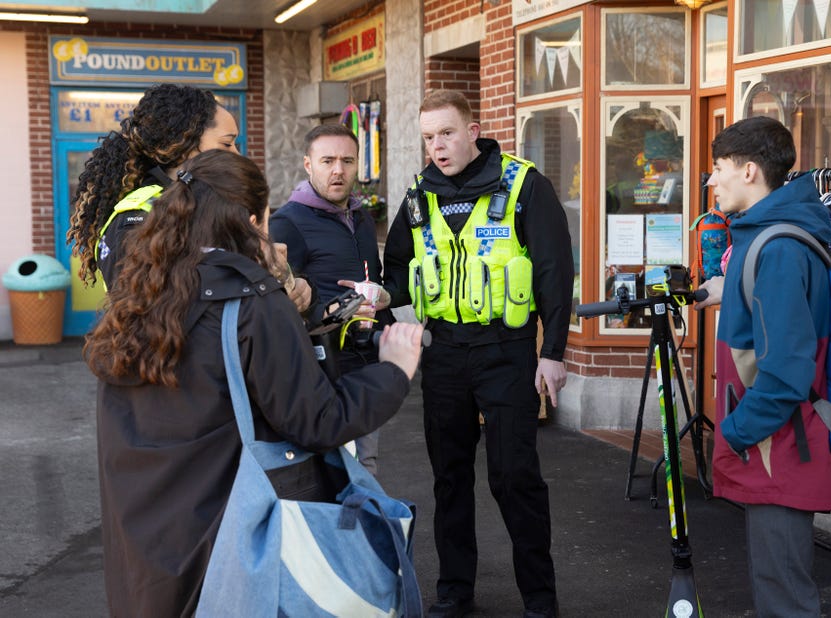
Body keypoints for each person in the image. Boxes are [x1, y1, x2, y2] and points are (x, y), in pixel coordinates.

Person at [84, 149, 424, 617]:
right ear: (250, 220)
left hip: (145, 543)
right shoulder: (252, 302)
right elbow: (317, 420)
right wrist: (394, 370)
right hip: (229, 542)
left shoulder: (137, 296)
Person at [383, 89, 573, 618]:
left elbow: (555, 272)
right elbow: (398, 268)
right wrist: (381, 294)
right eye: (427, 137)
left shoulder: (523, 185)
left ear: (473, 129)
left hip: (506, 350)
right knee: (449, 476)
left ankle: (539, 598)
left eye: (446, 133)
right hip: (443, 351)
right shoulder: (420, 193)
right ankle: (454, 591)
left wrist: (552, 351)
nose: (437, 146)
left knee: (514, 476)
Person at [704, 116, 831, 617]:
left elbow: (786, 372)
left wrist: (734, 432)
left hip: (779, 445)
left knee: (784, 599)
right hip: (778, 442)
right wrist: (731, 291)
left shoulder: (780, 248)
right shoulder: (769, 237)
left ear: (748, 172)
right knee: (776, 587)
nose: (712, 180)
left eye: (718, 168)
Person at [66, 82, 312, 313]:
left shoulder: (222, 205)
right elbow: (153, 313)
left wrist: (290, 283)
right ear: (183, 144)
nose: (238, 156)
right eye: (227, 144)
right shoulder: (136, 217)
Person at [270, 123, 393, 475]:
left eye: (347, 161)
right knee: (331, 469)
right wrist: (333, 309)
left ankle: (357, 530)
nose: (338, 170)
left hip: (367, 360)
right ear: (308, 165)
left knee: (365, 465)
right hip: (323, 369)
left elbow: (375, 278)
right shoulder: (287, 223)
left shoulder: (363, 218)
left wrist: (381, 297)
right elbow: (283, 304)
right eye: (327, 161)